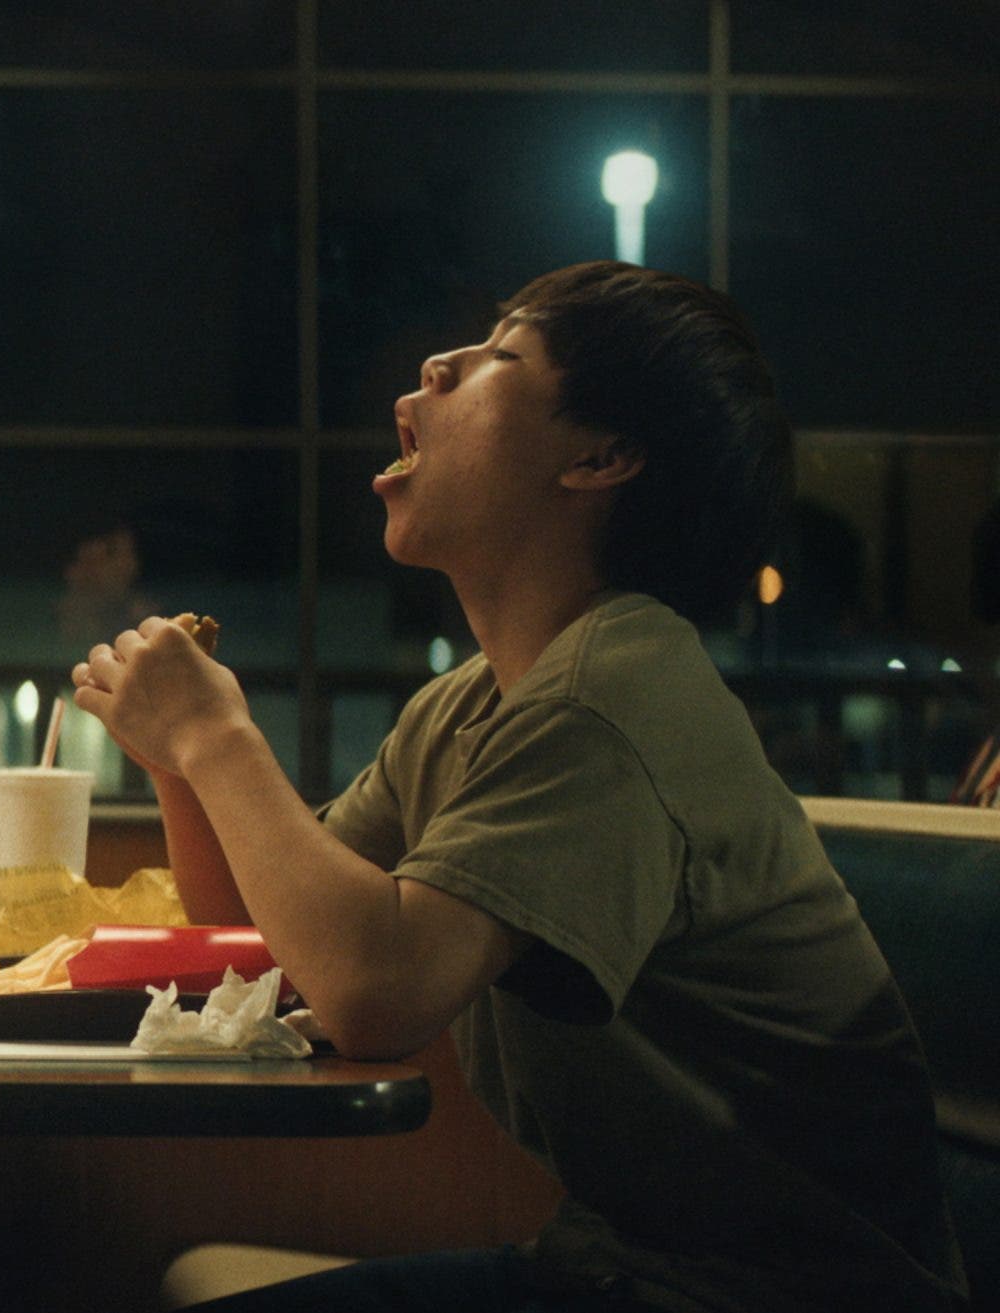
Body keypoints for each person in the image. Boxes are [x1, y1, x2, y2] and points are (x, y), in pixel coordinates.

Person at [72, 262, 966, 1312]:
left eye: (500, 353)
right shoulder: (477, 701)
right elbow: (269, 940)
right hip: (617, 1267)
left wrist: (213, 733)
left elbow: (374, 992)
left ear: (600, 456)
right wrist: (179, 762)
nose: (434, 366)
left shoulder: (609, 697)